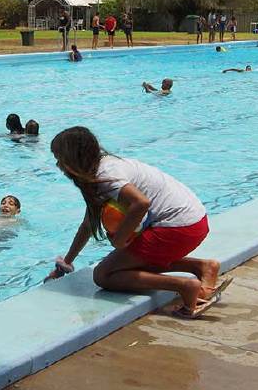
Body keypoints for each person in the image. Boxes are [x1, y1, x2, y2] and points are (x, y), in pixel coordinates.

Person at [44, 127, 227, 318]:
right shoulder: (104, 166)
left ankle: (185, 286)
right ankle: (201, 267)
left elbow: (141, 203)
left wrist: (119, 241)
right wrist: (66, 263)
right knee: (124, 262)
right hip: (195, 221)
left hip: (177, 228)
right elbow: (88, 223)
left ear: (74, 158)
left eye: (60, 158)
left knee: (103, 275)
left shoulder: (105, 177)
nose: (58, 165)